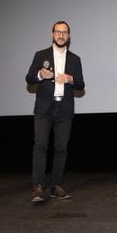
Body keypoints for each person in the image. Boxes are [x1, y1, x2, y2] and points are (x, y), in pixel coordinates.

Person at [26, 20, 85, 202]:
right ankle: (38, 187)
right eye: (58, 32)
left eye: (64, 32)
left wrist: (71, 79)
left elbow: (81, 84)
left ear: (68, 36)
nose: (61, 35)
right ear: (53, 34)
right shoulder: (40, 55)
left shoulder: (75, 59)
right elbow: (29, 78)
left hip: (64, 108)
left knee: (61, 148)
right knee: (41, 145)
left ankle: (57, 185)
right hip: (44, 107)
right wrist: (39, 75)